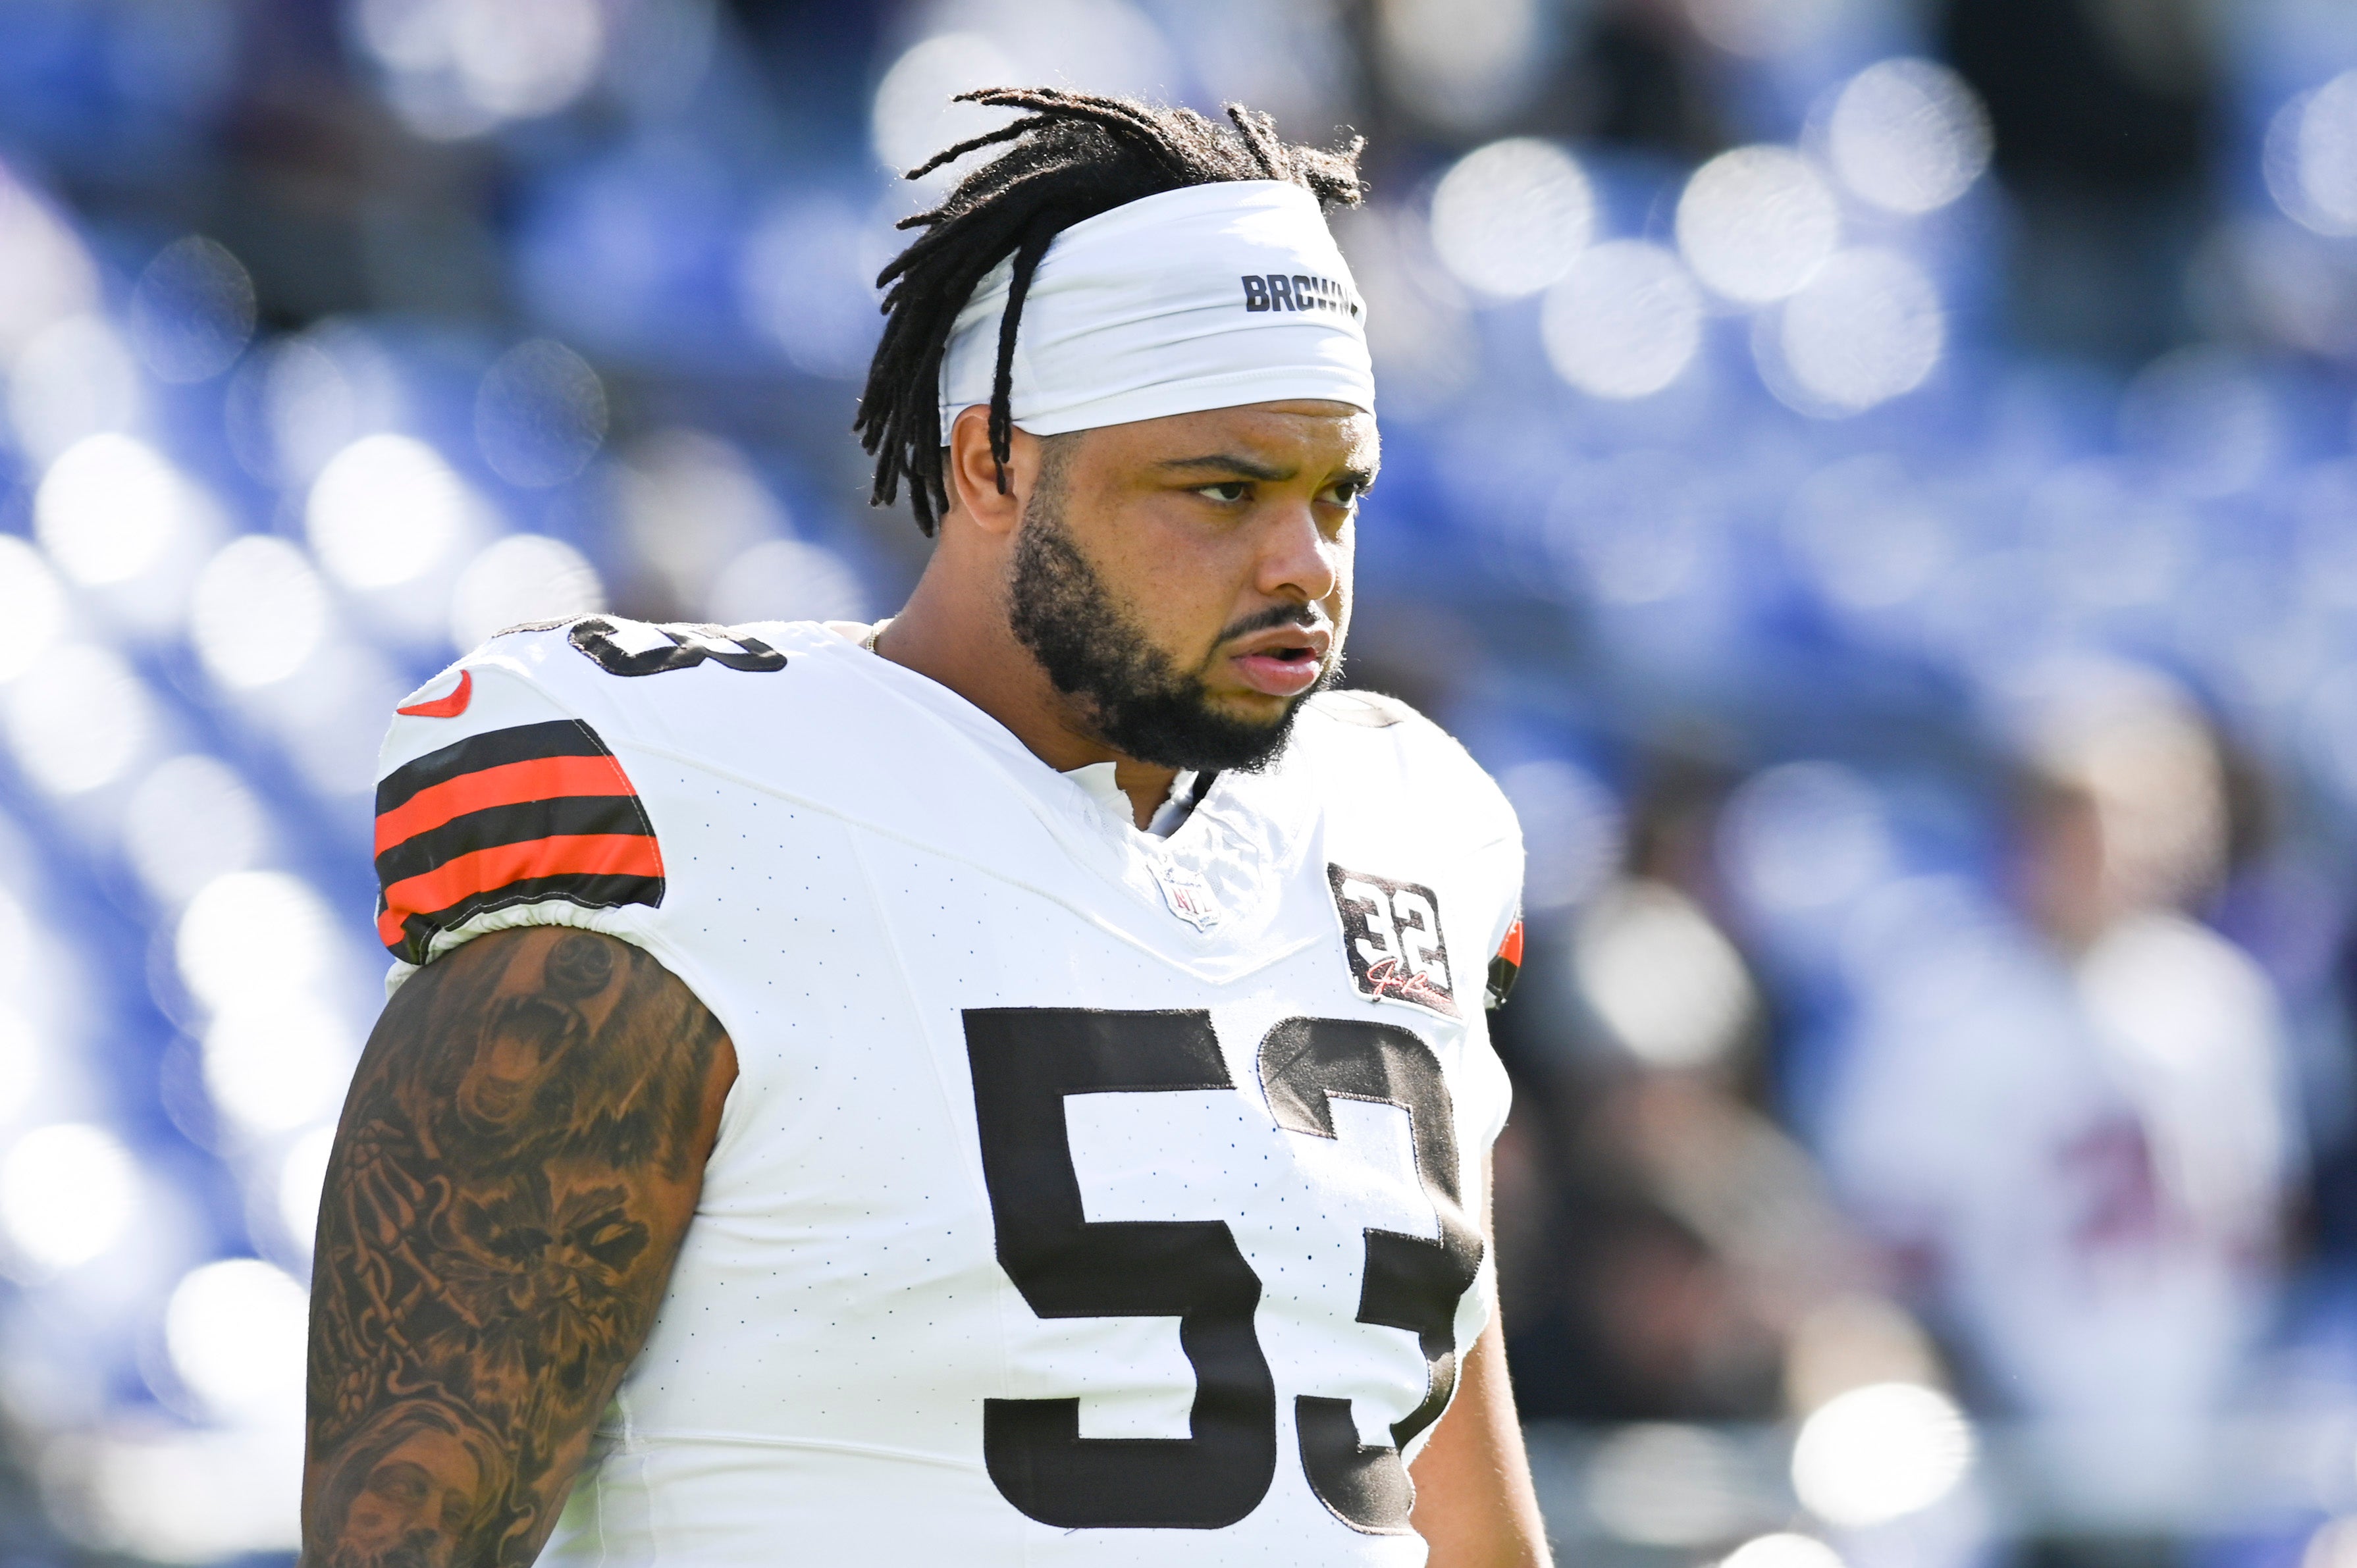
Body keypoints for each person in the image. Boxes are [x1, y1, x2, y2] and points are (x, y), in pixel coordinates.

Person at [302, 87, 1547, 1567]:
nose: (1306, 565)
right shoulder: (698, 812)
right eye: (1223, 490)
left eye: (1337, 494)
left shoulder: (1408, 829)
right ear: (992, 462)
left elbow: (1455, 1512)